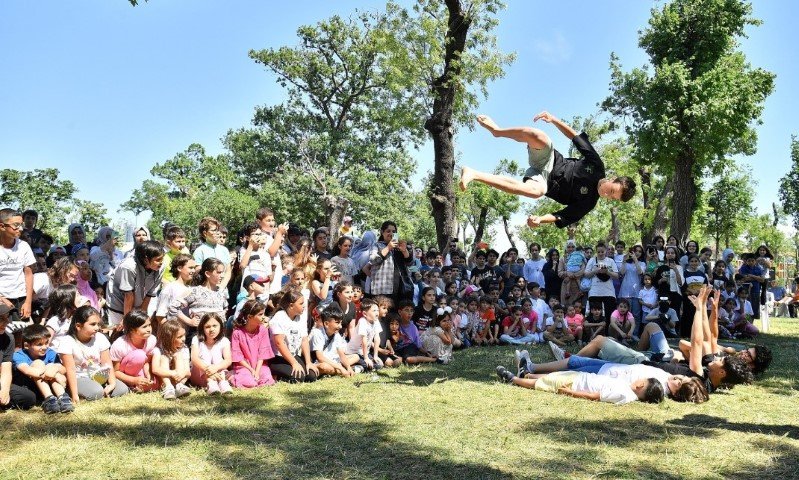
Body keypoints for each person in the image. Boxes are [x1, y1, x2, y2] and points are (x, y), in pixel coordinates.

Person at [460, 112, 636, 229]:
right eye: (611, 190)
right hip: (550, 159)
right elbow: (575, 137)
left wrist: (540, 219)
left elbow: (562, 216)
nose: (607, 195)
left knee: (536, 191)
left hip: (543, 181)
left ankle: (474, 174)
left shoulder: (589, 203)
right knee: (540, 136)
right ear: (612, 179)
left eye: (612, 197)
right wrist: (554, 120)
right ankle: (497, 131)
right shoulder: (597, 165)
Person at [57, 306, 128, 403]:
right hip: (79, 378)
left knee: (122, 390)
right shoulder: (67, 341)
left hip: (100, 376)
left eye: (98, 324)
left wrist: (112, 383)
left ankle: (99, 389)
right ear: (78, 326)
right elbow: (70, 370)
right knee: (96, 392)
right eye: (93, 324)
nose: (97, 328)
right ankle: (85, 392)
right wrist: (74, 394)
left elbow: (107, 363)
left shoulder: (100, 338)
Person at [495, 365, 663, 405]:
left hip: (576, 384)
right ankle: (527, 374)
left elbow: (595, 396)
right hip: (582, 377)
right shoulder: (627, 389)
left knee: (546, 383)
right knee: (554, 376)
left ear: (641, 385)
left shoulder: (625, 394)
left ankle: (513, 380)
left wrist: (570, 393)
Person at [12, 324, 72, 413]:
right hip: (28, 388)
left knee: (52, 366)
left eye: (46, 342)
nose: (44, 347)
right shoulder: (19, 355)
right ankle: (49, 399)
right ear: (27, 345)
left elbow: (62, 369)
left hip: (47, 385)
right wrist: (53, 374)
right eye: (39, 344)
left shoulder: (50, 352)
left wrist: (54, 370)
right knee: (38, 363)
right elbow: (27, 370)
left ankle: (63, 398)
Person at [105, 240, 165, 328]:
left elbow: (149, 294)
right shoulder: (128, 266)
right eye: (158, 260)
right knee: (122, 329)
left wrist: (141, 315)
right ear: (146, 259)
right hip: (119, 301)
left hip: (138, 300)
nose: (161, 262)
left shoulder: (160, 267)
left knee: (139, 326)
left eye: (162, 258)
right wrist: (127, 320)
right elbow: (128, 296)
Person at [269, 288, 318, 383]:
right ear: (291, 305)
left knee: (311, 376)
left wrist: (308, 362)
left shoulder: (301, 317)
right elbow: (279, 343)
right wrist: (294, 363)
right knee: (298, 378)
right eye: (301, 304)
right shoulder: (279, 317)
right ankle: (275, 374)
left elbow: (304, 340)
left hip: (294, 354)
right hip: (278, 358)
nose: (304, 306)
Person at [0, 208, 35, 324]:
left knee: (20, 335)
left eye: (21, 225)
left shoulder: (23, 246)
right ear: (2, 226)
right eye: (16, 225)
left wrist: (28, 302)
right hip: (2, 300)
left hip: (21, 299)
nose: (20, 228)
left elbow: (29, 274)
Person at [110, 310, 157, 393]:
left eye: (149, 325)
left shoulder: (152, 339)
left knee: (155, 384)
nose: (149, 329)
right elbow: (115, 371)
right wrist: (134, 380)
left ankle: (135, 386)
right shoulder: (119, 345)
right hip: (123, 375)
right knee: (140, 355)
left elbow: (147, 362)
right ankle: (130, 384)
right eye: (144, 327)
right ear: (132, 330)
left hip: (139, 370)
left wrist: (148, 376)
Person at [310, 305, 359, 377]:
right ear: (326, 324)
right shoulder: (317, 333)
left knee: (356, 356)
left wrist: (348, 367)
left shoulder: (336, 334)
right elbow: (320, 358)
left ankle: (344, 369)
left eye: (341, 323)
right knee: (324, 367)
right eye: (337, 323)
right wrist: (340, 368)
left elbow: (341, 354)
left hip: (333, 360)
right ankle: (339, 371)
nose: (340, 326)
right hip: (320, 362)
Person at [190, 312, 233, 394]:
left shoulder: (224, 341)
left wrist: (215, 368)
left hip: (217, 371)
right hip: (200, 374)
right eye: (207, 327)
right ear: (202, 328)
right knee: (205, 355)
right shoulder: (196, 339)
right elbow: (194, 359)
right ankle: (211, 383)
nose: (212, 329)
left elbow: (228, 360)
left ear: (220, 326)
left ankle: (222, 383)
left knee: (218, 358)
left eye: (215, 326)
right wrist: (208, 370)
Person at [151, 320, 192, 400]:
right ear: (169, 338)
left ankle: (179, 386)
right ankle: (168, 388)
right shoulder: (158, 349)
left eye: (184, 335)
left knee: (178, 355)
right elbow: (155, 369)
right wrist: (172, 373)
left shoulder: (184, 349)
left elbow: (188, 371)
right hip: (164, 380)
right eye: (179, 337)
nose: (183, 339)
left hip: (180, 379)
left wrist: (181, 375)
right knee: (164, 357)